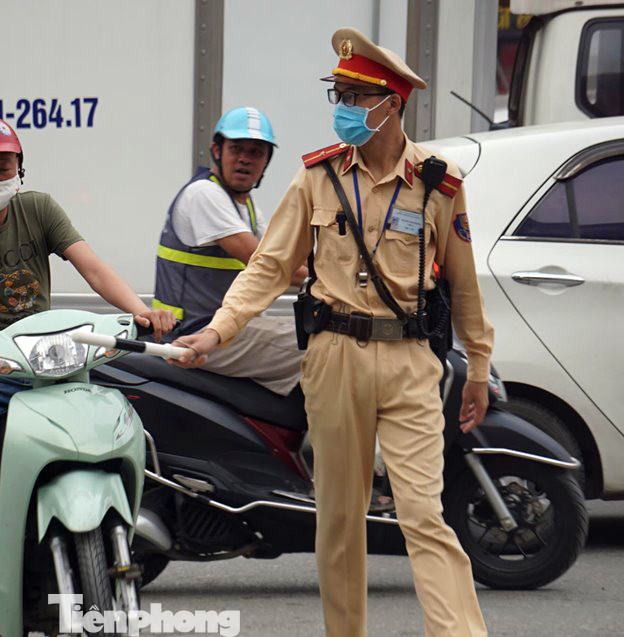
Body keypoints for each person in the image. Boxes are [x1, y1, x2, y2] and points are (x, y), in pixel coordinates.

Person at [173, 28, 493, 637]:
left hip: (409, 360)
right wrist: (217, 332)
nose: (342, 107)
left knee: (424, 515)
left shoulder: (438, 182)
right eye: (338, 94)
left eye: (355, 96)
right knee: (341, 520)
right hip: (333, 357)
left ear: (391, 103)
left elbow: (463, 281)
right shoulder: (317, 177)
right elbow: (268, 266)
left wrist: (478, 364)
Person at [0, 114, 175, 631]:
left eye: (3, 167)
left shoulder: (39, 209)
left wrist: (140, 311)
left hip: (52, 364)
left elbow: (92, 267)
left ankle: (118, 526)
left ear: (19, 167)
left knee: (124, 421)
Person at [152, 106, 307, 395]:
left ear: (266, 161)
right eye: (236, 149)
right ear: (216, 150)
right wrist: (331, 281)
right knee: (324, 343)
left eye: (256, 152)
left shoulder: (246, 206)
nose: (245, 159)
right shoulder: (204, 194)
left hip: (225, 330)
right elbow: (270, 263)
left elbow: (286, 254)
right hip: (194, 334)